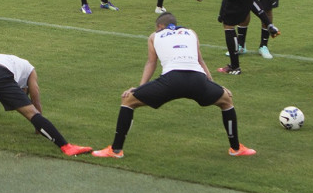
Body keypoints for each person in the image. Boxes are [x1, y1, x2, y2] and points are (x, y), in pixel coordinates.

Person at [92, 11, 256, 158]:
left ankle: (115, 150)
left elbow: (151, 63)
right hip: (197, 80)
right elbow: (200, 61)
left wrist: (139, 88)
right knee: (226, 101)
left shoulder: (154, 36)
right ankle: (236, 149)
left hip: (171, 80)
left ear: (160, 26)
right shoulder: (191, 33)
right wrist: (217, 88)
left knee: (128, 102)